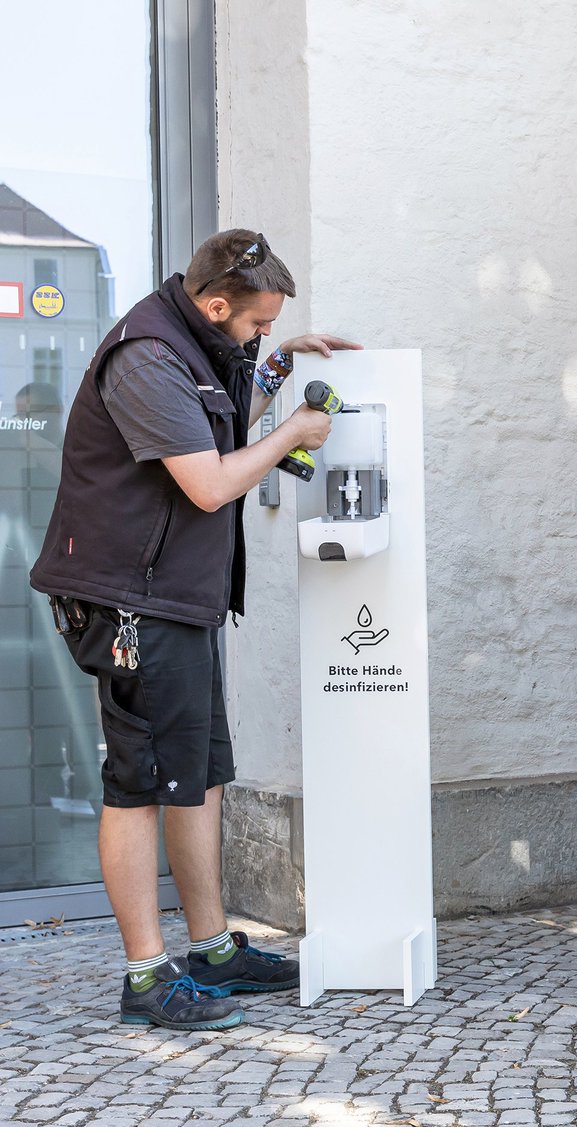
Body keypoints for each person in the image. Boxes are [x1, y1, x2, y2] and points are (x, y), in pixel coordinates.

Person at [30, 230, 362, 1031]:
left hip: (179, 596)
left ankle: (211, 948)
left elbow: (214, 422)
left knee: (201, 773)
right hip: (130, 606)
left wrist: (276, 369)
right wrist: (289, 435)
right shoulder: (146, 355)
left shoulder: (196, 342)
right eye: (255, 328)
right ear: (217, 305)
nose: (258, 339)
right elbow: (211, 481)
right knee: (140, 786)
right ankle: (146, 975)